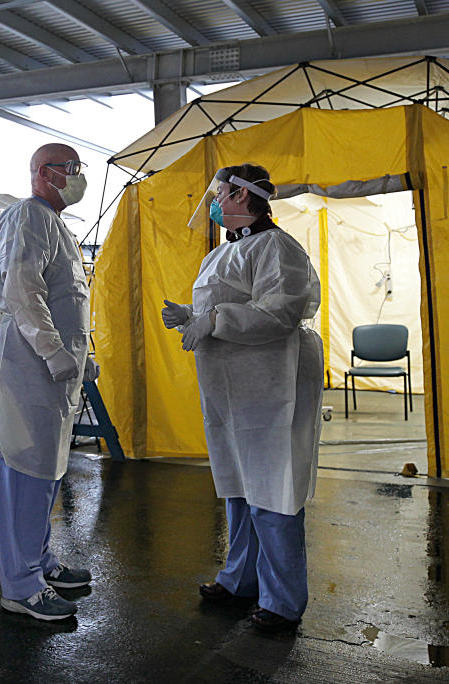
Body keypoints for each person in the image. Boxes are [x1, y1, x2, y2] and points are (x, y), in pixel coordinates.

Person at [162, 163, 323, 633]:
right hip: (232, 388)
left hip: (271, 387)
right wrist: (193, 315)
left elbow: (280, 312)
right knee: (238, 487)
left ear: (241, 197)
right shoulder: (225, 252)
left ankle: (284, 601)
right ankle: (240, 580)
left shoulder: (277, 247)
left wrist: (214, 320)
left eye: (221, 193)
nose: (214, 201)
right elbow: (230, 303)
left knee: (272, 489)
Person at [0, 143, 99, 622]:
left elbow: (62, 298)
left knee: (44, 467)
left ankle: (39, 561)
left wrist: (75, 355)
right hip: (28, 364)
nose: (79, 177)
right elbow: (23, 288)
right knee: (23, 468)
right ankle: (20, 586)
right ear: (45, 173)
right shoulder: (29, 215)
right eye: (73, 169)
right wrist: (53, 350)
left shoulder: (55, 224)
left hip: (48, 368)